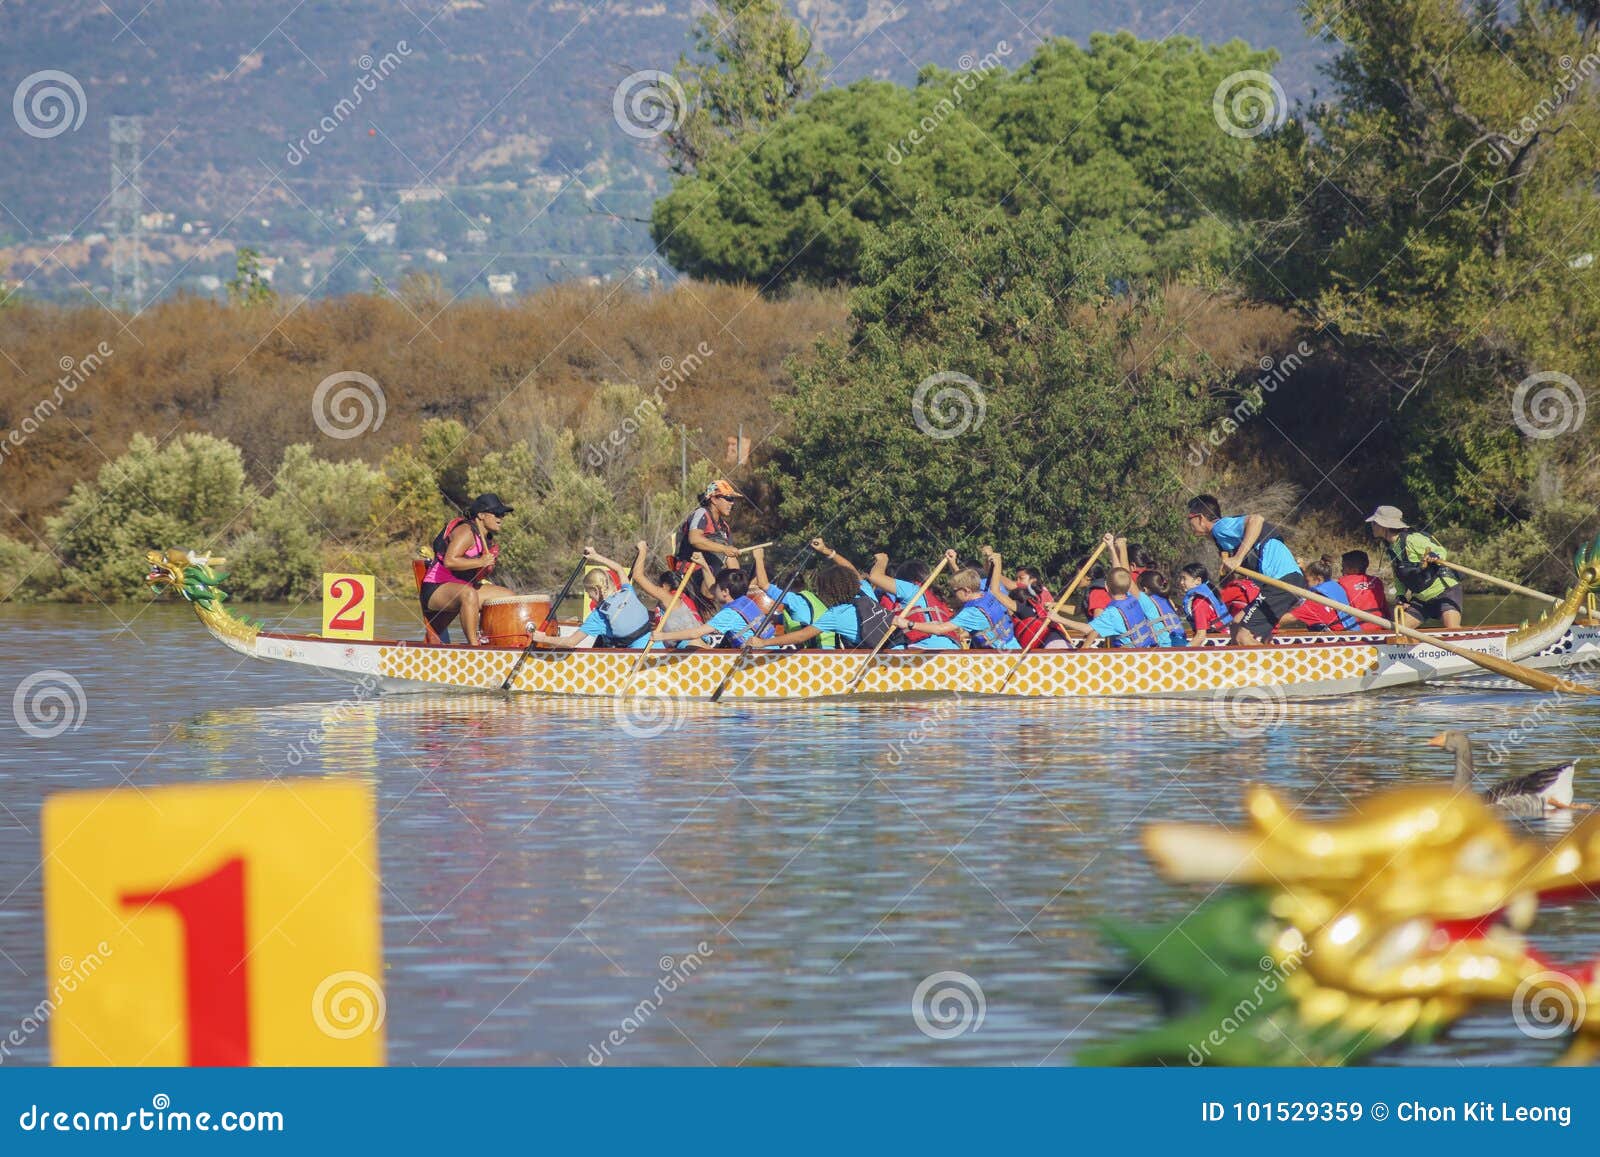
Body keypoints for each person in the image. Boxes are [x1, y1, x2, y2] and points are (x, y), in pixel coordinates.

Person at [1184, 494, 1305, 644]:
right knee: (1236, 625)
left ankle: (1268, 666)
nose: (1189, 523)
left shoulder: (1220, 527)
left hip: (1283, 580)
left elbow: (1256, 520)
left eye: (1190, 518)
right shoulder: (1224, 541)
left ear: (1201, 518)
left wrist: (1238, 557)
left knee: (1243, 636)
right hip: (1283, 582)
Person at [419, 493, 518, 645]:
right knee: (469, 594)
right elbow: (449, 561)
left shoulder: (486, 538)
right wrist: (480, 561)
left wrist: (483, 568)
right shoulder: (466, 532)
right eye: (497, 513)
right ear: (481, 515)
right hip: (436, 587)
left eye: (502, 514)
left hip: (463, 587)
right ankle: (474, 646)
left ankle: (495, 641)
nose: (501, 518)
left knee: (508, 597)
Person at [745, 564, 900, 650]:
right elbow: (851, 569)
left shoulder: (835, 615)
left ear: (829, 591)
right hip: (901, 648)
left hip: (883, 660)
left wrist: (763, 643)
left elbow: (801, 636)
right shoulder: (866, 592)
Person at [526, 547, 655, 648]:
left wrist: (543, 639)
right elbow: (619, 569)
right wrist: (595, 556)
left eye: (589, 592)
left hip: (636, 657)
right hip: (655, 645)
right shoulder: (627, 591)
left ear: (595, 590)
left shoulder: (598, 616)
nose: (588, 596)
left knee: (603, 639)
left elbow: (571, 642)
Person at [897, 548, 1021, 650]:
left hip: (1002, 657)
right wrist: (953, 564)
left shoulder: (971, 612)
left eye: (955, 591)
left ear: (966, 591)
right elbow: (968, 580)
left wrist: (909, 623)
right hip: (1015, 648)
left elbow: (940, 630)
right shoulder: (988, 594)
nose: (953, 594)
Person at [1364, 505, 1462, 629]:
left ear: (1384, 526)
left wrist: (1434, 555)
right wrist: (1401, 595)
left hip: (1445, 592)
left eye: (1374, 523)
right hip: (1421, 598)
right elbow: (1398, 574)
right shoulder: (1391, 548)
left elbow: (1441, 551)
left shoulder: (1412, 539)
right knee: (1399, 630)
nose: (1372, 526)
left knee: (1452, 629)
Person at [1052, 567, 1175, 647]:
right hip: (1147, 650)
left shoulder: (1111, 613)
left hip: (1128, 657)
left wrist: (1058, 618)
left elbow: (1087, 629)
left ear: (1106, 588)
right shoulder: (1135, 599)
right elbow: (1125, 578)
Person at [867, 552, 959, 650]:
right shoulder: (937, 595)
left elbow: (875, 577)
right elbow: (968, 586)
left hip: (925, 647)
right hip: (952, 647)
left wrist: (882, 560)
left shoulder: (910, 588)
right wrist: (953, 565)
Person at [670, 479, 744, 577]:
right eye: (728, 498)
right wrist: (724, 549)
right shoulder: (701, 513)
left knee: (749, 572)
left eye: (732, 499)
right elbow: (694, 539)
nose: (732, 503)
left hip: (712, 571)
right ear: (713, 499)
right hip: (691, 572)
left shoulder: (725, 527)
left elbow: (730, 557)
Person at [1280, 556, 1357, 632]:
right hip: (1353, 630)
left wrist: (1269, 621)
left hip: (1342, 638)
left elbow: (1289, 618)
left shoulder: (1316, 602)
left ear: (1319, 579)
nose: (1305, 584)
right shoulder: (1335, 586)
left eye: (1307, 581)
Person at [1007, 565, 1071, 650]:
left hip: (1050, 637)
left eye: (1021, 578)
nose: (1017, 582)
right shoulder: (1028, 593)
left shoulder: (1039, 592)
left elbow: (1010, 585)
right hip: (1041, 637)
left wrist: (1054, 605)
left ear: (1033, 580)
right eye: (1017, 579)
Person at [1177, 563, 1232, 646]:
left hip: (1220, 642)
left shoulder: (1199, 602)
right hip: (1223, 637)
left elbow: (1201, 636)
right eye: (1181, 578)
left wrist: (1183, 652)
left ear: (1198, 581)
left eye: (1184, 579)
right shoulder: (1204, 594)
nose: (1181, 582)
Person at [1336, 550, 1391, 632]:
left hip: (1357, 628)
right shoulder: (1377, 581)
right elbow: (1385, 609)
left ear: (1354, 569)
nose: (1341, 570)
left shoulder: (1342, 582)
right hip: (1380, 626)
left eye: (1343, 567)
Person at [1137, 571, 1189, 644]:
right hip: (1182, 643)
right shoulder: (1167, 600)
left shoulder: (1147, 601)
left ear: (1144, 589)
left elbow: (1125, 578)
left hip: (1166, 648)